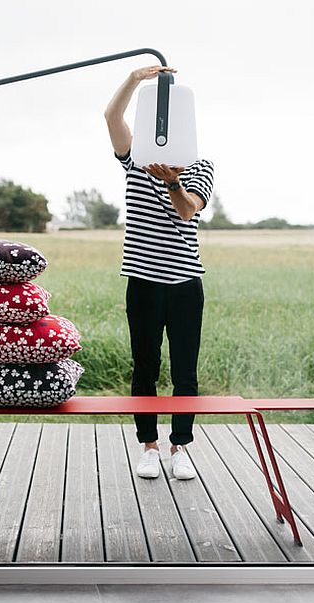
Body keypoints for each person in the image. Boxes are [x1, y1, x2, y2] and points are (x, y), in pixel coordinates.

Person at [104, 65, 214, 480]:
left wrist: (172, 183)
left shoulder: (201, 166)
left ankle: (179, 447)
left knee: (185, 370)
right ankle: (148, 447)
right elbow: (111, 118)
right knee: (145, 366)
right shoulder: (134, 160)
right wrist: (134, 80)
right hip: (143, 283)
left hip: (186, 284)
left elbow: (188, 210)